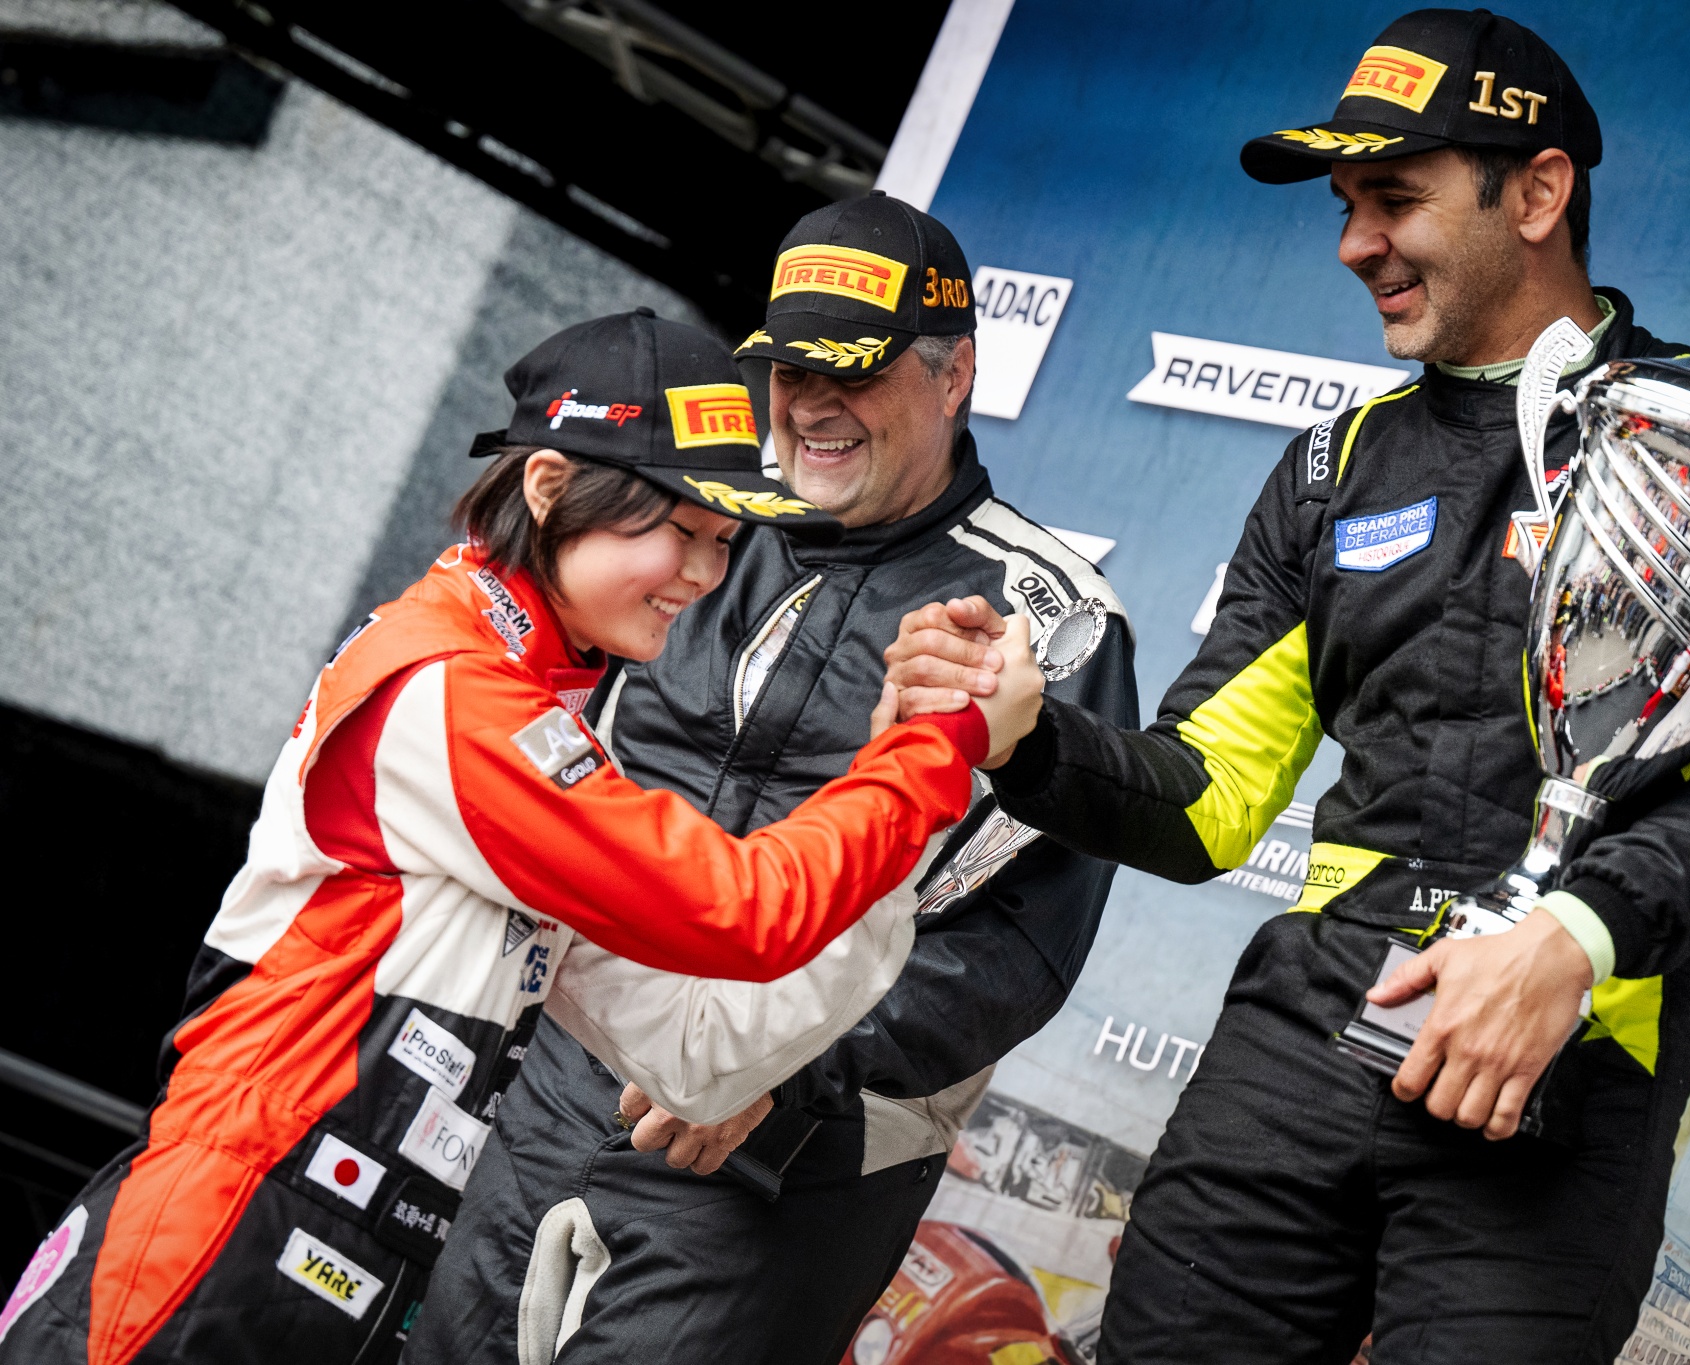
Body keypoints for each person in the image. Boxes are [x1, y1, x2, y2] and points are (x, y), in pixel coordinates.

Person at [886, 10, 1690, 1363]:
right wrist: (1033, 740)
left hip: (1563, 1046)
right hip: (1301, 1039)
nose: (1354, 244)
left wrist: (1574, 937)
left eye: (1394, 199)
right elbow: (1210, 799)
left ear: (1537, 193)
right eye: (1345, 208)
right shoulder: (1330, 472)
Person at [0, 310, 1042, 1365]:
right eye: (676, 531)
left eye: (723, 542)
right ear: (549, 487)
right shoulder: (450, 687)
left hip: (349, 1282)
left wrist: (911, 791)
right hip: (213, 1240)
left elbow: (700, 1054)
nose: (701, 574)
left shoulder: (540, 715)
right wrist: (937, 748)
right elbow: (735, 909)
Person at [404, 194, 1138, 1365]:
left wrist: (782, 1077)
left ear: (953, 376)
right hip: (555, 1099)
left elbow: (1018, 944)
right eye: (791, 370)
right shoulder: (686, 531)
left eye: (853, 372)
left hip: (784, 1157)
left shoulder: (1046, 619)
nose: (810, 405)